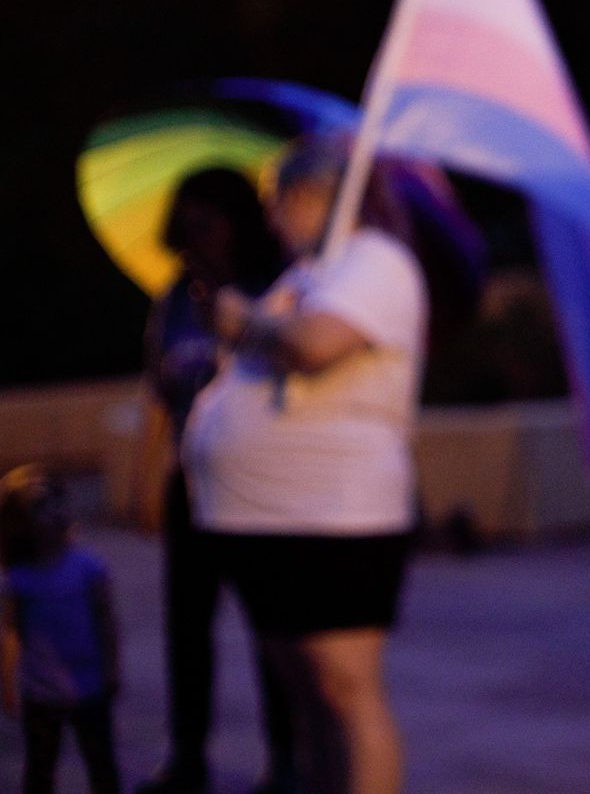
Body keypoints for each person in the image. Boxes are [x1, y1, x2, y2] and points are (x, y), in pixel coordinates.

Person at [182, 136, 426, 794]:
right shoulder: (308, 272)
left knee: (344, 688)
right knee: (305, 698)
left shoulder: (374, 261)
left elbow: (315, 345)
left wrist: (242, 323)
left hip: (333, 517)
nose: (270, 219)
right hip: (266, 523)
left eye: (276, 200)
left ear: (313, 194)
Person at [136, 167, 296, 794]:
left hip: (258, 484)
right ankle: (188, 757)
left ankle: (284, 760)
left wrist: (235, 313)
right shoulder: (174, 296)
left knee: (269, 629)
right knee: (186, 626)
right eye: (188, 220)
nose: (197, 234)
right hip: (192, 480)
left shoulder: (272, 290)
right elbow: (158, 386)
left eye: (209, 218)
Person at [1, 464, 122, 794]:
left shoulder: (88, 568)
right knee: (40, 766)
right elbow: (12, 630)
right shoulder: (20, 578)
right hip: (40, 691)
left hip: (89, 686)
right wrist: (9, 679)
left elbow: (106, 621)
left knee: (101, 763)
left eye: (58, 504)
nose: (55, 515)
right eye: (41, 509)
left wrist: (111, 669)